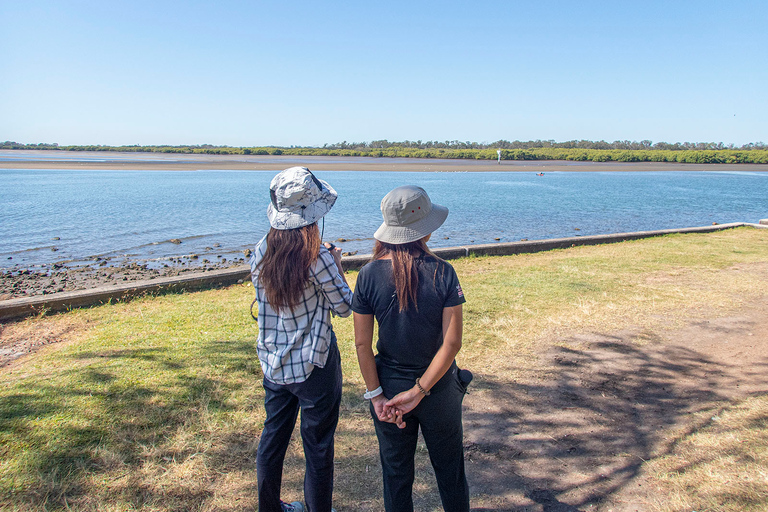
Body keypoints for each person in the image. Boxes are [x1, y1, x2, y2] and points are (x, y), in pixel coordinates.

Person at [352, 185, 470, 512]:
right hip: (440, 389)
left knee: (396, 476)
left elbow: (362, 343)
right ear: (426, 230)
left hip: (389, 388)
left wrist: (376, 395)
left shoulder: (367, 275)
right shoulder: (444, 272)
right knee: (450, 473)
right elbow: (452, 342)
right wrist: (421, 390)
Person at [250, 166, 352, 512]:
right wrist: (337, 266)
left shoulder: (261, 250)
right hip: (314, 364)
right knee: (318, 448)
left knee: (272, 440)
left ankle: (269, 507)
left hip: (273, 362)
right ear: (312, 215)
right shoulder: (317, 256)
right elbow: (344, 307)